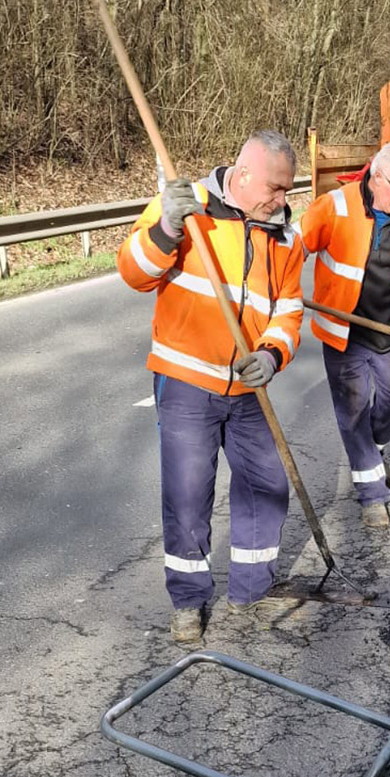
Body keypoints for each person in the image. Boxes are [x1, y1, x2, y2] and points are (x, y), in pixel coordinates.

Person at [117, 130, 306, 643]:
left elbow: (288, 310)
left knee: (268, 485)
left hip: (248, 389)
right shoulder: (187, 206)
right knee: (187, 496)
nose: (281, 199)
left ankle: (251, 588)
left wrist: (272, 354)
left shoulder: (285, 236)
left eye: (287, 190)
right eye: (274, 187)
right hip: (186, 382)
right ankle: (188, 602)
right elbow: (132, 272)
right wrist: (167, 231)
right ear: (242, 175)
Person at [299, 142, 390, 529]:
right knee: (354, 413)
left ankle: (372, 456)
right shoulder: (334, 207)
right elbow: (292, 248)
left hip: (388, 330)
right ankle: (373, 496)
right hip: (343, 333)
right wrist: (272, 287)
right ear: (376, 176)